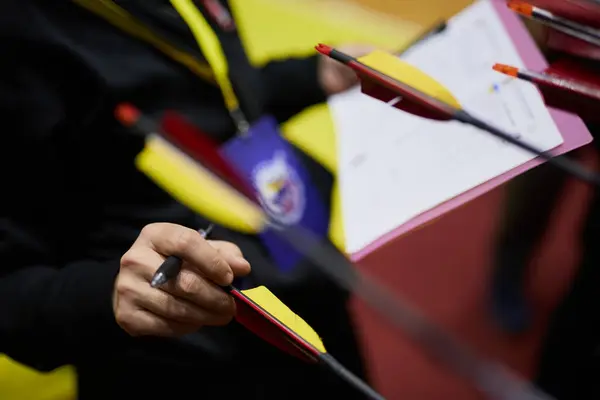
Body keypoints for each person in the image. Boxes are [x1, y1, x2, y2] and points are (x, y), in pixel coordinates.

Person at [0, 1, 372, 399]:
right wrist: (109, 294)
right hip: (179, 356)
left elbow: (199, 97)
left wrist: (311, 75)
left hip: (300, 281)